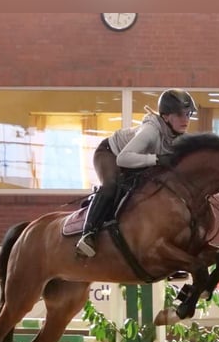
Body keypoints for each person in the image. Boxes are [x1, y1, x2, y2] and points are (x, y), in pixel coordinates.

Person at [76, 88, 196, 258]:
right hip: (110, 153)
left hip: (135, 160)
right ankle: (88, 234)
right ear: (166, 116)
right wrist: (156, 159)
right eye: (179, 115)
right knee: (111, 184)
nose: (185, 120)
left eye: (188, 114)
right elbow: (123, 159)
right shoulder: (151, 131)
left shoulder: (180, 138)